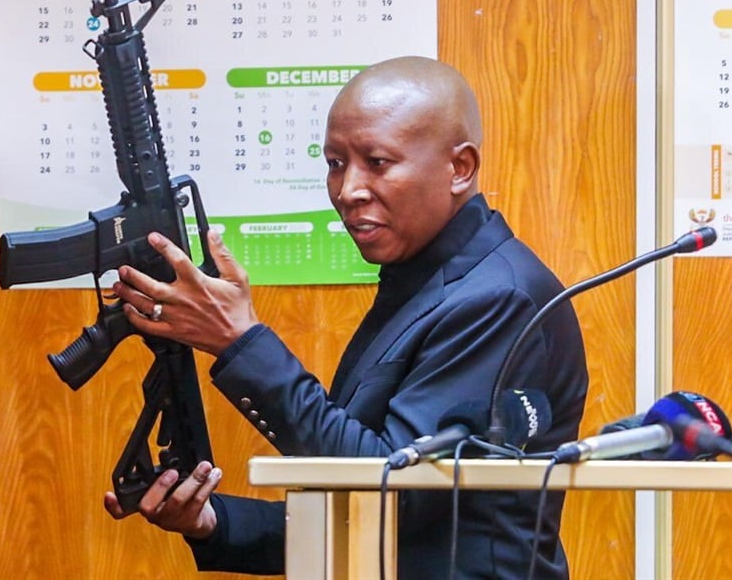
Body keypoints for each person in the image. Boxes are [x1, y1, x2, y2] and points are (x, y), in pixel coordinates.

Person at [105, 56, 588, 578]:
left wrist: (239, 341)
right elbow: (363, 509)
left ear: (460, 168)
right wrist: (211, 521)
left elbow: (391, 489)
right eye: (335, 163)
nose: (347, 190)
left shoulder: (499, 298)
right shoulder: (422, 279)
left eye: (377, 162)